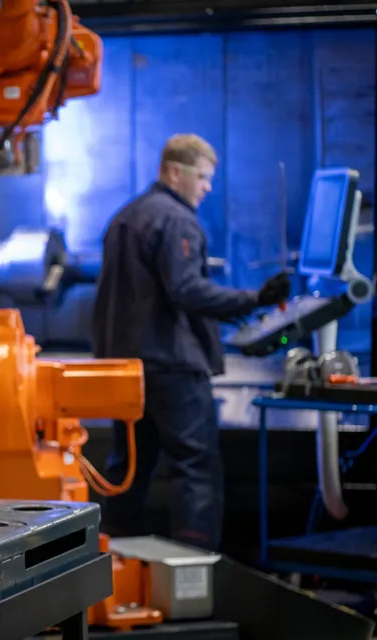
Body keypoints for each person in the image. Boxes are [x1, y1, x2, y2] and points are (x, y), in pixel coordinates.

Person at [91, 133, 290, 551]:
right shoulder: (177, 220)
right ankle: (194, 570)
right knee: (196, 467)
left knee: (129, 467)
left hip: (126, 371)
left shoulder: (125, 216)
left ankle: (115, 562)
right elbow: (186, 289)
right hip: (172, 368)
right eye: (202, 177)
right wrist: (254, 298)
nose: (207, 187)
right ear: (173, 172)